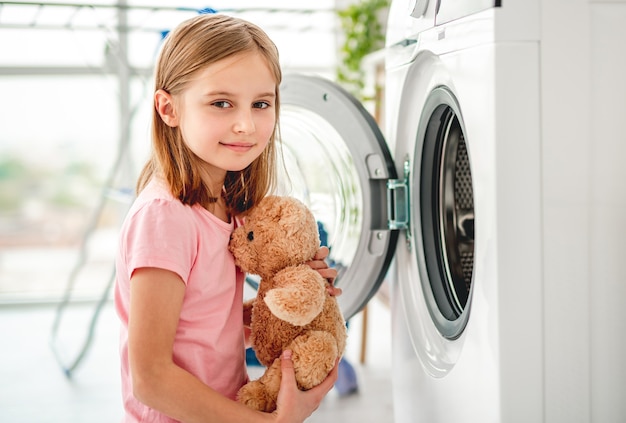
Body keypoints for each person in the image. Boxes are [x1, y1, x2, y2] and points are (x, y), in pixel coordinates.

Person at [114, 13, 340, 423]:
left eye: (261, 104)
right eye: (221, 103)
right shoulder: (165, 218)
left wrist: (286, 303)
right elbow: (150, 377)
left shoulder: (224, 205)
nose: (245, 124)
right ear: (168, 109)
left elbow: (202, 320)